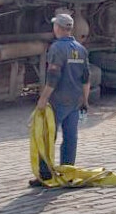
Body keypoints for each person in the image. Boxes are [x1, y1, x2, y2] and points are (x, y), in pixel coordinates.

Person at [33, 13, 90, 182]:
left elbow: (53, 77)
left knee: (47, 136)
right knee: (71, 137)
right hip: (75, 100)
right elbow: (86, 78)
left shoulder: (57, 48)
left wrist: (43, 99)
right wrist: (85, 101)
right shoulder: (80, 49)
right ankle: (68, 173)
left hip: (58, 101)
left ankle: (45, 174)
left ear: (58, 28)